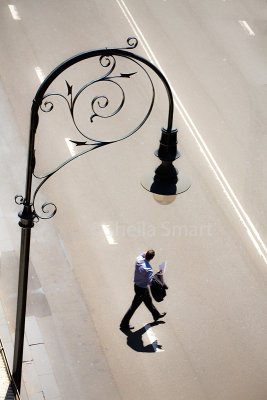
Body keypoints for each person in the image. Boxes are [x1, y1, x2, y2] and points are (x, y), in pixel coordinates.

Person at [120, 250, 166, 331]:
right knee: (133, 307)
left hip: (137, 286)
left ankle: (156, 315)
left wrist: (147, 253)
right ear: (152, 258)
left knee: (148, 301)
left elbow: (143, 254)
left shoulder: (139, 259)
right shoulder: (148, 269)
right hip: (141, 289)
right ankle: (124, 324)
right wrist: (159, 273)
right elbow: (150, 282)